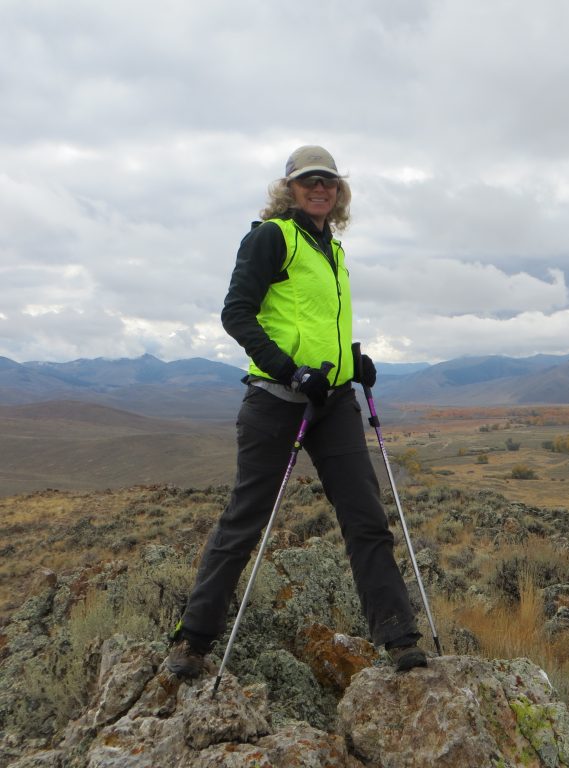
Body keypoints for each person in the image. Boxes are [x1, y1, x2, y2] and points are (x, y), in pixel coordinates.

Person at [166, 145, 426, 677]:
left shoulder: (333, 250)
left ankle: (399, 638)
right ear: (290, 187)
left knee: (366, 519)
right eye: (309, 181)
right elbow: (236, 313)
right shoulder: (271, 238)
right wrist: (288, 370)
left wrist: (350, 361)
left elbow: (315, 323)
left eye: (328, 181)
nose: (320, 188)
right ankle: (192, 639)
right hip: (275, 402)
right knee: (245, 521)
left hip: (333, 404)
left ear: (339, 191)